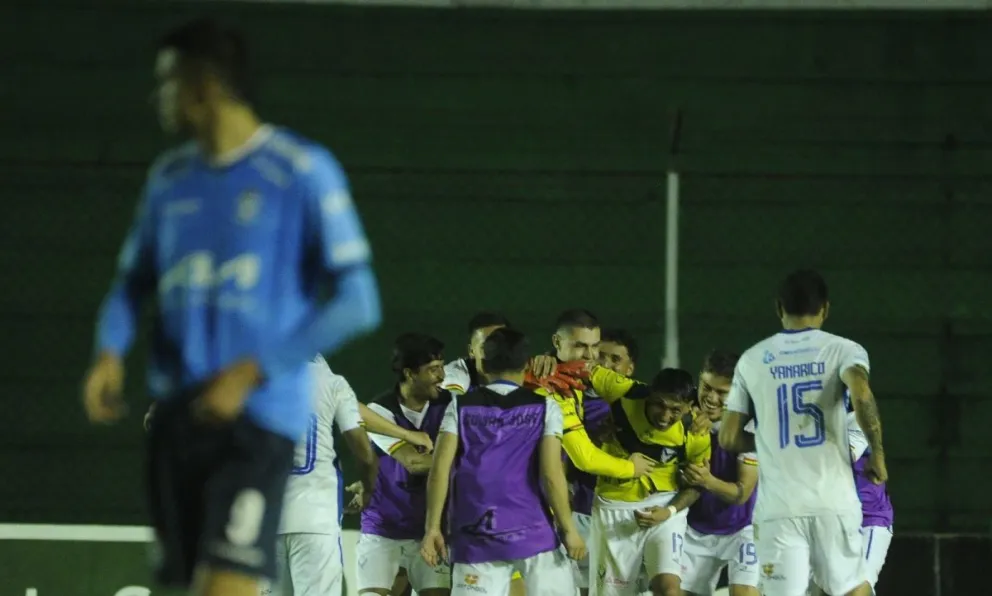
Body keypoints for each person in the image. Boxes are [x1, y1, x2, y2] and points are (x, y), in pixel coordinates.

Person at [81, 18, 381, 596]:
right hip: (179, 419)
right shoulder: (169, 180)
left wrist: (249, 372)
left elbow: (358, 301)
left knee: (229, 585)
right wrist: (109, 352)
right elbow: (128, 286)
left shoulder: (299, 171)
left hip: (258, 419)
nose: (157, 96)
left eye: (167, 81)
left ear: (205, 83)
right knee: (197, 583)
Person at [718, 269, 888, 596]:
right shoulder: (844, 350)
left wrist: (771, 442)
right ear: (825, 308)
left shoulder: (752, 360)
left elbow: (727, 438)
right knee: (852, 588)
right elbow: (862, 393)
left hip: (780, 507)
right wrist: (878, 455)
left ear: (779, 308)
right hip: (833, 502)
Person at [420, 328, 584, 596]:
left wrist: (432, 528)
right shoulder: (546, 408)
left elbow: (439, 471)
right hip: (535, 534)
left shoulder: (459, 407)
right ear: (527, 364)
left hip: (474, 538)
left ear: (482, 363)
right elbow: (552, 474)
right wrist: (569, 530)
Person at [557, 364, 708, 596]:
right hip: (614, 508)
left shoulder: (696, 430)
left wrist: (669, 512)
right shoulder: (626, 391)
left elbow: (697, 486)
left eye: (675, 410)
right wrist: (547, 361)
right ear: (649, 394)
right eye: (659, 404)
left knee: (670, 590)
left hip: (664, 510)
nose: (665, 416)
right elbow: (583, 370)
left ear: (689, 407)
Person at [356, 334, 452, 596]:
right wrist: (466, 462)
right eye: (433, 370)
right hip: (384, 529)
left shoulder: (450, 405)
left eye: (442, 367)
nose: (442, 376)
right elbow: (414, 462)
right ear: (410, 373)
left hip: (429, 530)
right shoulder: (380, 412)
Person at [679, 351, 760, 596]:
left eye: (722, 393)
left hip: (743, 528)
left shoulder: (749, 426)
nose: (711, 398)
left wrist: (706, 480)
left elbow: (742, 492)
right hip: (695, 529)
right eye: (706, 387)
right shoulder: (680, 413)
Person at [808, 394, 893, 596]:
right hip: (822, 520)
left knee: (856, 590)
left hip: (868, 519)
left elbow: (835, 463)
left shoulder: (857, 420)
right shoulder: (799, 421)